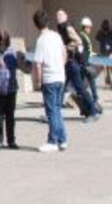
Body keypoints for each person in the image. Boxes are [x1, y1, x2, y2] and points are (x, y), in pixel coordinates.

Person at [33, 10, 68, 152]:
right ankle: (62, 139)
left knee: (52, 111)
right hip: (60, 77)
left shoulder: (41, 40)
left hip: (49, 78)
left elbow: (38, 64)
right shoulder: (56, 36)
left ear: (36, 24)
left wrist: (38, 81)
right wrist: (60, 66)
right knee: (57, 110)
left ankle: (52, 140)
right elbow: (64, 54)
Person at [56, 10, 97, 121]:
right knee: (62, 88)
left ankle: (93, 112)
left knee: (80, 89)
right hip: (67, 62)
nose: (58, 17)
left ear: (66, 16)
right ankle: (54, 114)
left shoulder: (68, 28)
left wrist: (66, 47)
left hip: (73, 63)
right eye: (57, 16)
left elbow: (78, 41)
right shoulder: (60, 28)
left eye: (61, 15)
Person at [0, 30, 20, 149]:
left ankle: (11, 140)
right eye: (1, 43)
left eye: (5, 44)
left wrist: (21, 60)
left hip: (11, 88)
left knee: (10, 116)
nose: (2, 46)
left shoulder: (12, 51)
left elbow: (18, 65)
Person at [77, 17, 102, 116]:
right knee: (89, 83)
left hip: (85, 63)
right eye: (89, 27)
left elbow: (88, 50)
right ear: (85, 27)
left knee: (85, 86)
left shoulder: (83, 36)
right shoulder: (82, 37)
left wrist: (93, 54)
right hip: (84, 65)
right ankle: (94, 102)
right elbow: (82, 51)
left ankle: (86, 106)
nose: (90, 29)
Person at [98, 19, 112, 88]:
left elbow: (97, 38)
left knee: (107, 67)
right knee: (105, 67)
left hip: (107, 51)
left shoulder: (110, 32)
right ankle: (107, 81)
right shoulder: (101, 32)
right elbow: (97, 38)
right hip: (104, 51)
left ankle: (108, 80)